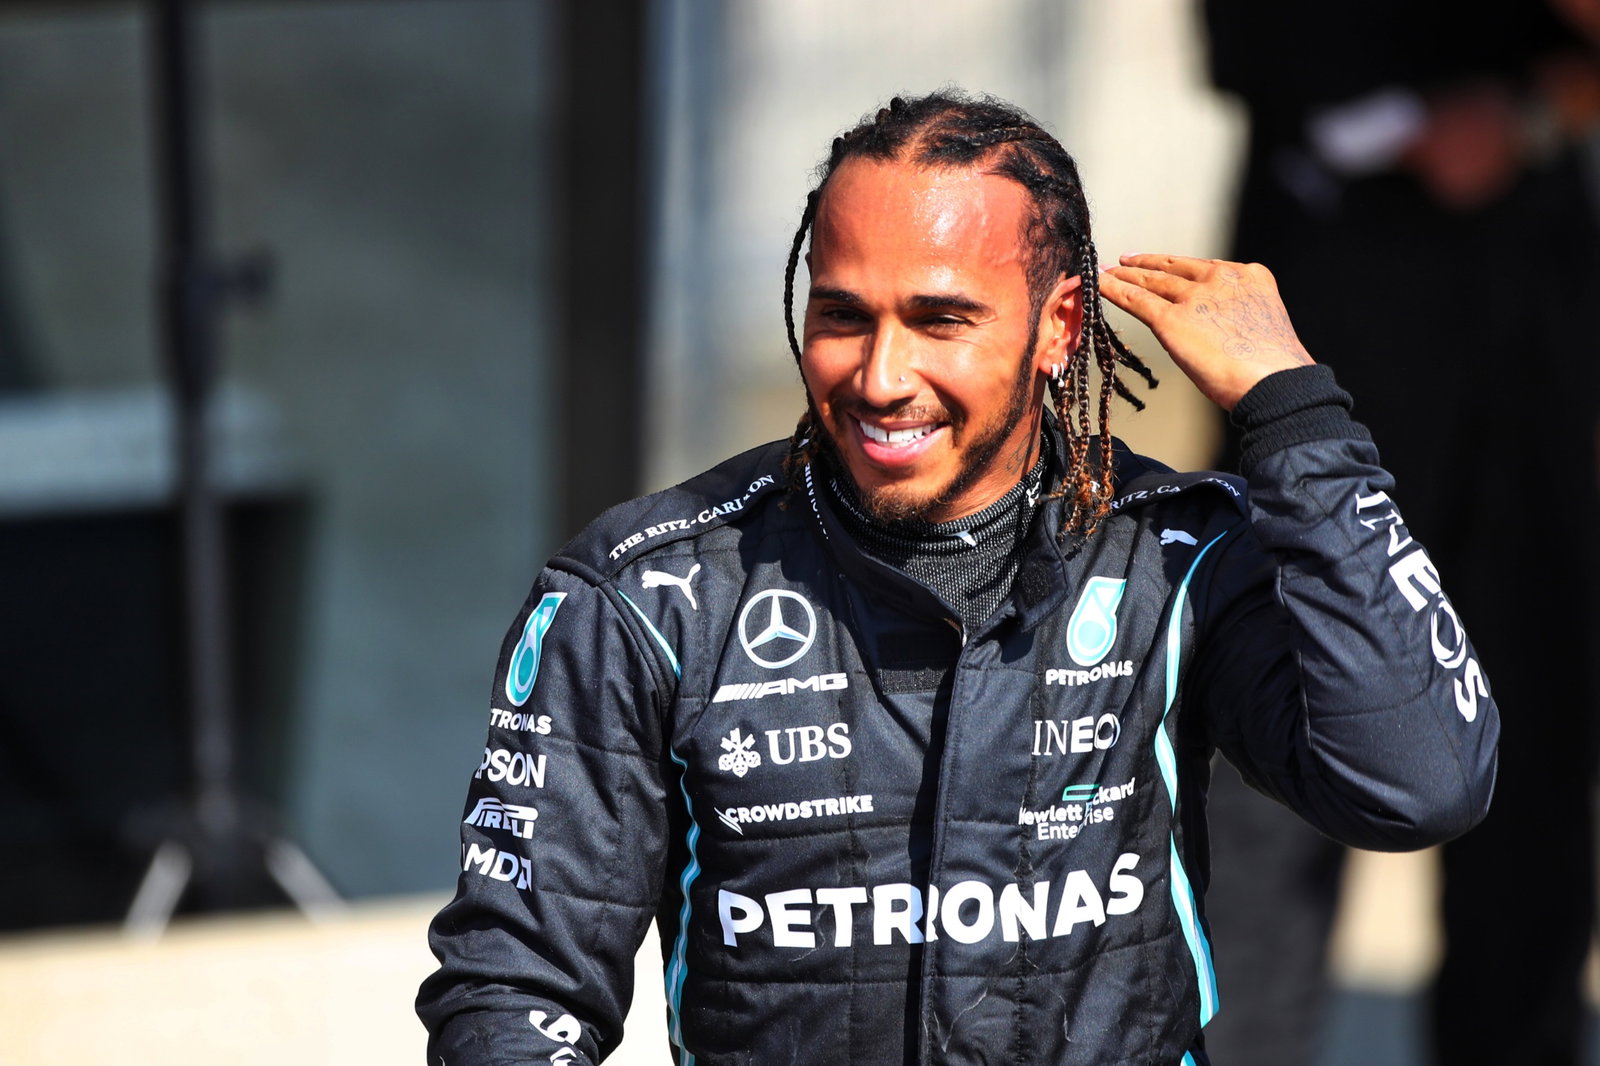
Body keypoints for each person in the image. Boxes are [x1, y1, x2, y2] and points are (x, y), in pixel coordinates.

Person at [415, 91, 1499, 1066]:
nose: (884, 377)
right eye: (842, 316)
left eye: (940, 319)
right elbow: (514, 989)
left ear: (1057, 327)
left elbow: (1417, 779)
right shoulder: (647, 593)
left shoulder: (1179, 557)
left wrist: (1294, 414)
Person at [1202, 5, 1600, 1063]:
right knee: (1273, 726)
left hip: (1532, 318)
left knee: (1532, 741)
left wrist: (1524, 118)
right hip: (1335, 287)